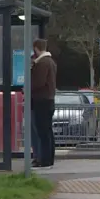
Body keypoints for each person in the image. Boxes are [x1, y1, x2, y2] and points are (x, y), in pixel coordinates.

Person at [30, 39, 57, 168]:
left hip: (41, 100)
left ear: (36, 48)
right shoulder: (51, 62)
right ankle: (48, 158)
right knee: (47, 131)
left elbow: (38, 82)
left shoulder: (42, 63)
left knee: (42, 131)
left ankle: (43, 159)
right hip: (49, 100)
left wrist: (28, 87)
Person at [30, 53, 41, 166]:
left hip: (35, 103)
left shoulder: (36, 72)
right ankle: (36, 155)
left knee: (36, 131)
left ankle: (38, 156)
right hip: (33, 104)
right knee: (33, 132)